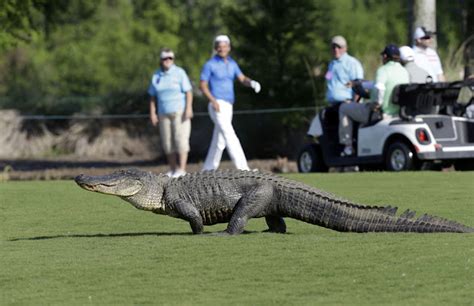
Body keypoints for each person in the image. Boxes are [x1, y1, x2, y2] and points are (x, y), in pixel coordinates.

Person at [200, 35, 261, 171]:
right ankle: (243, 169)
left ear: (229, 48)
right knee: (230, 134)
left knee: (219, 140)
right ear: (216, 48)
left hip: (229, 105)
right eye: (219, 47)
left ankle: (208, 170)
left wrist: (251, 83)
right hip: (217, 104)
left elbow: (242, 78)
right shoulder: (210, 64)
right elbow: (203, 85)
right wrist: (213, 101)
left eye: (224, 46)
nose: (222, 49)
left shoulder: (232, 64)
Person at [339, 44, 409, 156]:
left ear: (385, 56)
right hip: (397, 113)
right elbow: (380, 85)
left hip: (379, 113)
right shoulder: (404, 72)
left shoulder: (383, 70)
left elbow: (380, 87)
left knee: (344, 108)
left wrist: (377, 103)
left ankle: (347, 147)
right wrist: (361, 84)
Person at [148, 48, 193, 177]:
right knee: (167, 142)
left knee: (181, 140)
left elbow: (188, 92)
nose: (167, 61)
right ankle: (173, 169)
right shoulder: (156, 75)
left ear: (173, 59)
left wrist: (189, 108)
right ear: (161, 60)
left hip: (179, 112)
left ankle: (182, 170)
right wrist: (153, 112)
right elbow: (152, 96)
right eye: (164, 58)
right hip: (163, 113)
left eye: (170, 58)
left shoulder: (180, 73)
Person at [326, 35, 364, 104]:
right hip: (333, 104)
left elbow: (358, 85)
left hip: (347, 104)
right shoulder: (331, 64)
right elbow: (328, 81)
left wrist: (355, 106)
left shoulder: (352, 63)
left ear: (345, 48)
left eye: (339, 47)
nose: (336, 49)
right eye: (333, 47)